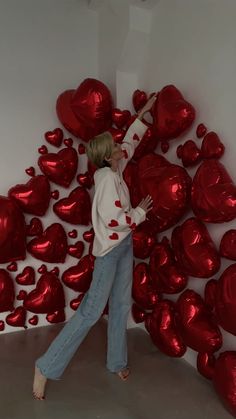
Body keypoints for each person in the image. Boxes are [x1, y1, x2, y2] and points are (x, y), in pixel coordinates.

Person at [33, 94, 156, 400]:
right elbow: (114, 220)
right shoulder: (105, 181)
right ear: (106, 156)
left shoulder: (114, 167)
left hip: (124, 246)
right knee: (90, 313)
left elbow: (129, 143)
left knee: (120, 305)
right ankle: (45, 367)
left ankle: (116, 362)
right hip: (110, 252)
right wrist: (140, 212)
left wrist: (142, 115)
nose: (119, 148)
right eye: (114, 147)